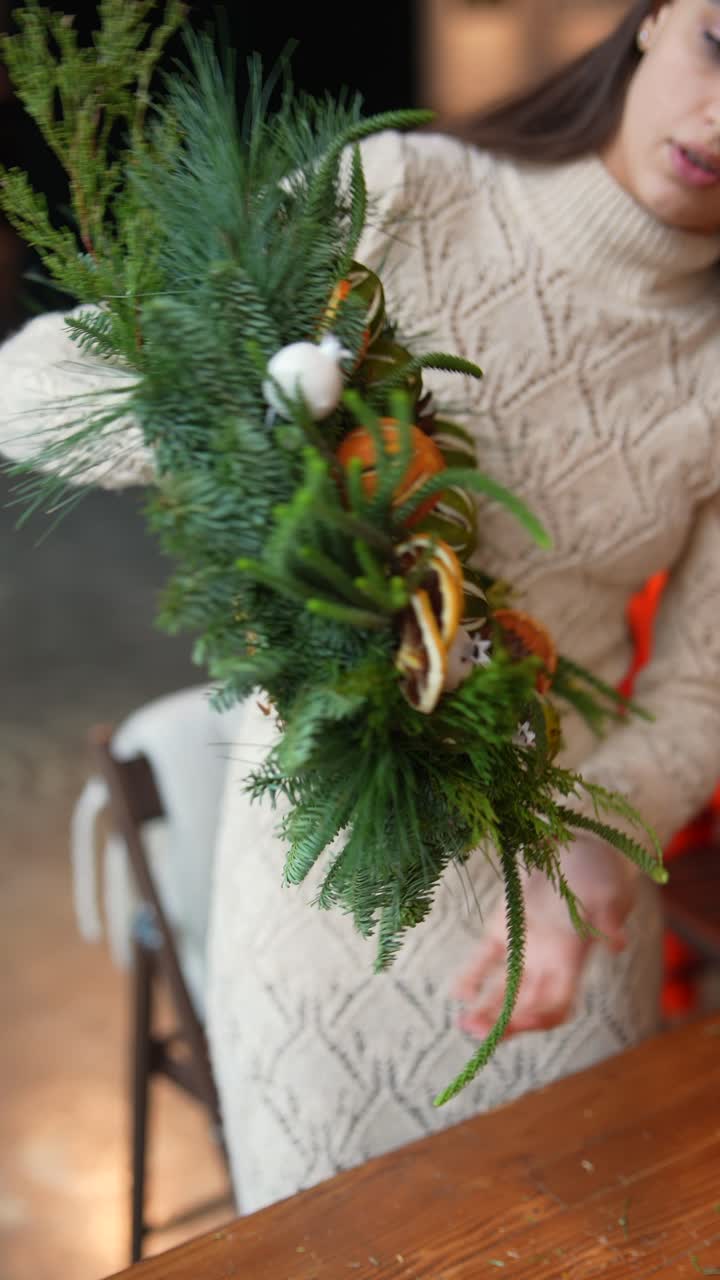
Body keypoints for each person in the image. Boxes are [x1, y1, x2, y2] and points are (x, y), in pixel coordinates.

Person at [1, 0, 719, 1213]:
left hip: (549, 911)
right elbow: (37, 390)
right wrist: (264, 448)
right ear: (653, 19)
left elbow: (702, 690)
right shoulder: (399, 190)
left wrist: (599, 836)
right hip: (321, 887)